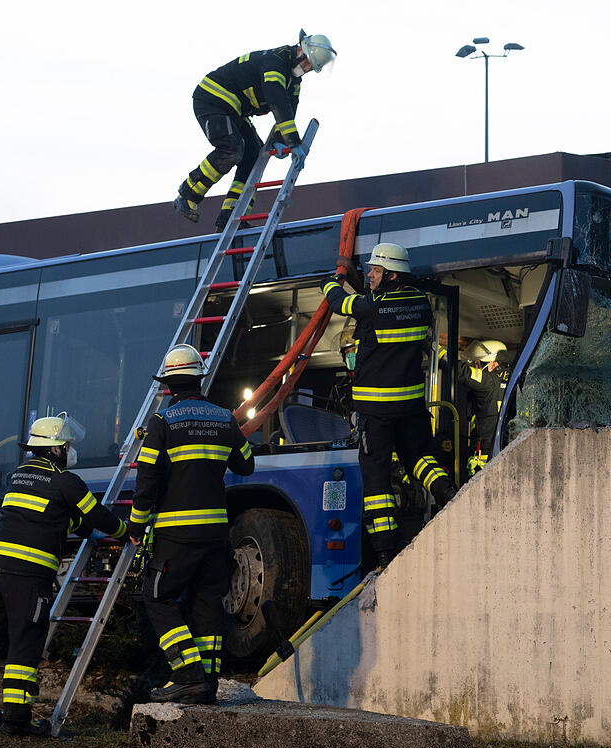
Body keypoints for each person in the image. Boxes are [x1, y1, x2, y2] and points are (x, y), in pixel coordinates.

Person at [0, 413, 127, 736]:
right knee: (25, 641)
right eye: (66, 445)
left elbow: (55, 517)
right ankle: (16, 721)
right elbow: (98, 514)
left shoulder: (18, 476)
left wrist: (85, 531)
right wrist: (123, 530)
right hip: (28, 575)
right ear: (56, 449)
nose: (69, 450)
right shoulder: (66, 481)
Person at [127, 344, 254, 704]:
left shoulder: (162, 423)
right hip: (216, 533)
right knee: (207, 602)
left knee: (157, 596)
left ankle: (186, 674)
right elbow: (247, 465)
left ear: (168, 386)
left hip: (176, 536)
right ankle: (207, 683)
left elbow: (147, 480)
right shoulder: (224, 419)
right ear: (199, 378)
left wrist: (136, 527)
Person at [320, 244, 457, 568]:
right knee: (419, 459)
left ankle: (385, 551)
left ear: (392, 275)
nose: (370, 275)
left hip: (376, 412)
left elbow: (340, 302)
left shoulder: (373, 308)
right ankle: (447, 493)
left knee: (377, 480)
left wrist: (331, 280)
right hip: (410, 407)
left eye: (376, 270)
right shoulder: (421, 304)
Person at [173, 30, 336, 233]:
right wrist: (294, 143)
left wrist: (281, 139)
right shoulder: (275, 62)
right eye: (306, 63)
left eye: (311, 68)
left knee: (253, 155)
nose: (306, 69)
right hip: (213, 99)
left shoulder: (293, 80)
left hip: (236, 109)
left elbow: (289, 109)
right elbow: (277, 101)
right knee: (232, 149)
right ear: (300, 51)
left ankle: (232, 216)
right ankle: (187, 194)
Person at [459, 340, 508, 476]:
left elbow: (461, 372)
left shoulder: (488, 381)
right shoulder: (510, 383)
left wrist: (435, 350)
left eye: (478, 364)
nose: (477, 368)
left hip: (483, 457)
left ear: (492, 363)